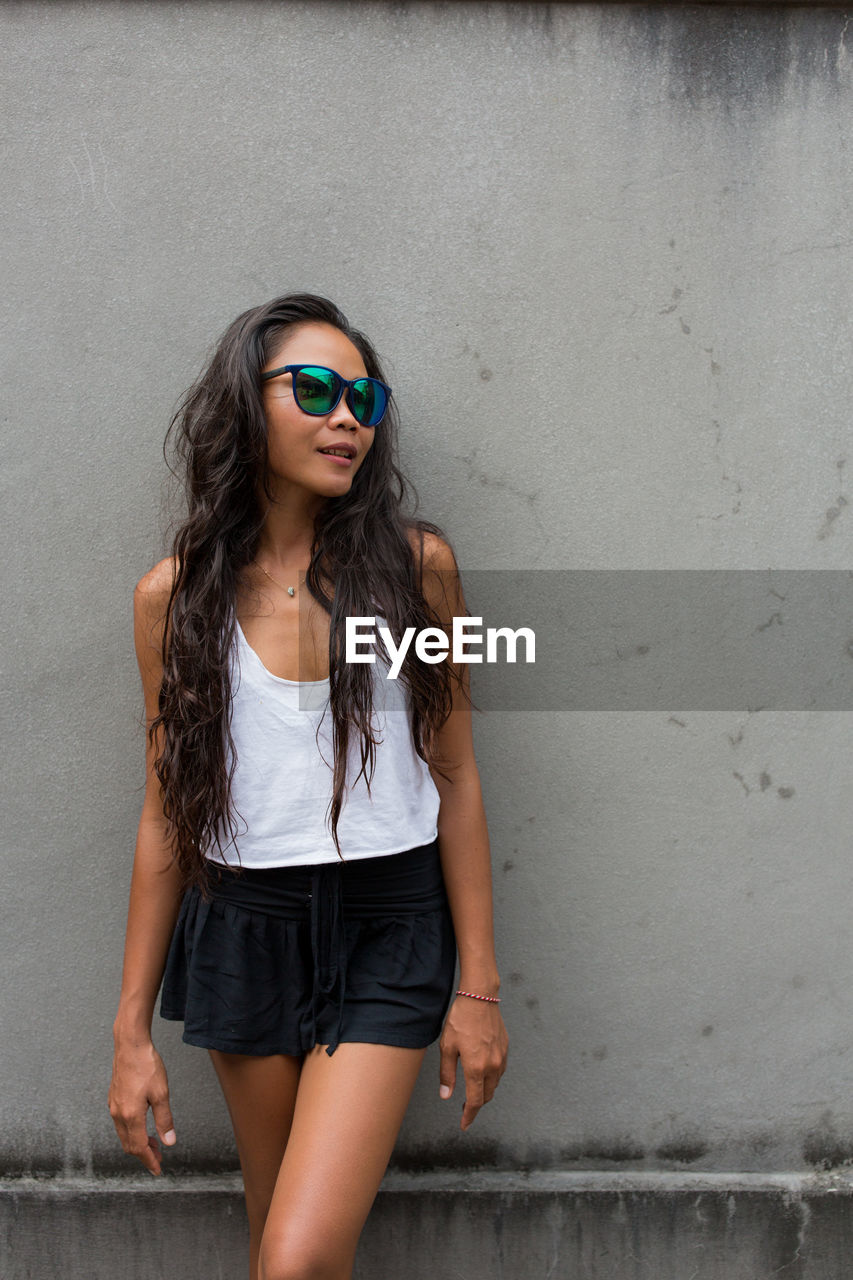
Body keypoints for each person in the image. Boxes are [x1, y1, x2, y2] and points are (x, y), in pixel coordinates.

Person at [108, 293, 508, 1280]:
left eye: (363, 397)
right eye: (317, 390)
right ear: (249, 403)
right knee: (276, 1238)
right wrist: (127, 1032)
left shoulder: (415, 571)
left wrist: (480, 985)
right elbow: (167, 809)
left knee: (294, 1255)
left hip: (389, 923)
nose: (348, 418)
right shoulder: (176, 594)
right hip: (242, 924)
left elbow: (452, 771)